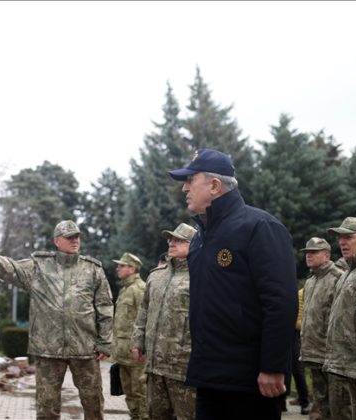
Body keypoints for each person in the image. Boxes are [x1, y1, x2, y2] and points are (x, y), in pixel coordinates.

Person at [168, 148, 298, 420]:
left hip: (249, 380)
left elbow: (280, 303)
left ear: (214, 185)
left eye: (191, 180)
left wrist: (273, 367)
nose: (184, 188)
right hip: (210, 376)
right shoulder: (200, 239)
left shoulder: (260, 227)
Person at [0, 220, 113, 420]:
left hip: (84, 347)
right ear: (56, 241)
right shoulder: (39, 266)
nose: (75, 240)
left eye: (77, 236)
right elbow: (13, 268)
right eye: (69, 237)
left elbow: (105, 307)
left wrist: (105, 341)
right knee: (47, 405)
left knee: (93, 402)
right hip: (48, 348)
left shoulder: (93, 269)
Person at [131, 223, 198, 420]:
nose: (171, 243)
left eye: (178, 240)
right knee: (157, 415)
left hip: (184, 367)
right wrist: (137, 340)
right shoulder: (156, 275)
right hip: (155, 364)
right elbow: (144, 310)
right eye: (170, 239)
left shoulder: (201, 275)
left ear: (194, 244)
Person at [324, 217, 356, 420]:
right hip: (348, 366)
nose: (342, 242)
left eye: (349, 237)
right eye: (340, 237)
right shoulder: (347, 273)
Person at [299, 237, 346, 419]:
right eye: (307, 253)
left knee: (338, 407)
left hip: (330, 356)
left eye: (313, 252)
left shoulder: (338, 278)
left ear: (326, 256)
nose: (308, 256)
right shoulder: (311, 280)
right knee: (321, 403)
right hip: (313, 353)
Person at [111, 252, 149, 420]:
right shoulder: (125, 289)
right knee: (130, 395)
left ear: (132, 268)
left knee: (141, 394)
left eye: (121, 265)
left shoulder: (140, 289)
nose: (117, 268)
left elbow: (146, 319)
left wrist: (141, 346)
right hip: (123, 354)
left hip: (136, 355)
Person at [282, 286, 310, 415]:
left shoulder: (299, 293)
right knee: (283, 368)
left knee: (297, 370)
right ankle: (281, 401)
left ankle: (305, 403)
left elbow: (300, 319)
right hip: (281, 333)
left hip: (294, 334)